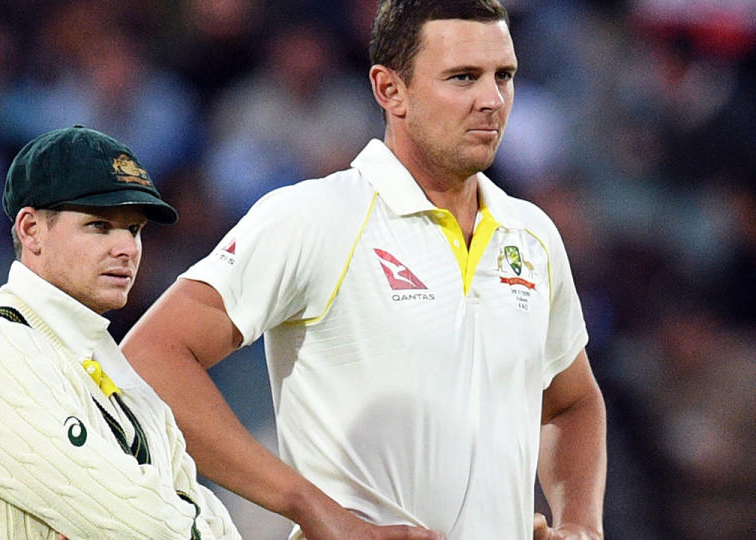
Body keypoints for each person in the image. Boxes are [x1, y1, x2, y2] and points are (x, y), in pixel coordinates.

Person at [121, 1, 606, 539]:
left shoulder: (532, 235)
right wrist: (308, 505)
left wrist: (581, 523)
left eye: (504, 76)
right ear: (389, 89)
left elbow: (572, 401)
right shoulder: (316, 216)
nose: (491, 100)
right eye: (463, 77)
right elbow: (149, 356)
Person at [0, 126, 239, 539]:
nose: (127, 248)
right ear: (31, 229)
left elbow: (205, 519)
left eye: (136, 229)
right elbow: (140, 526)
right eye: (100, 226)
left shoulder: (120, 372)